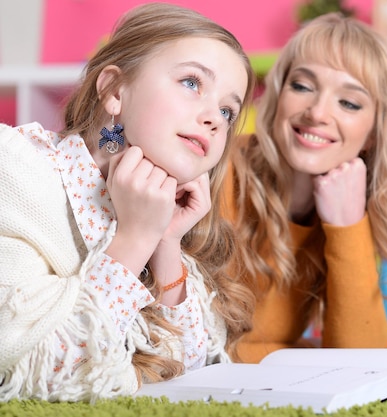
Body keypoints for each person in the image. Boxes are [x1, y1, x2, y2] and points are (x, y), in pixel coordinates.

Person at [0, 3, 255, 401]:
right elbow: (37, 373)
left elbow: (191, 371)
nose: (215, 118)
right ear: (114, 91)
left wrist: (165, 241)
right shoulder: (16, 169)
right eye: (191, 82)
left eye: (227, 110)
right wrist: (135, 239)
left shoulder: (155, 208)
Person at [223, 13, 387, 363]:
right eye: (302, 86)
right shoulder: (217, 170)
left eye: (348, 102)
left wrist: (346, 227)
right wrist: (288, 354)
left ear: (374, 132)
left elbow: (362, 360)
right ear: (278, 94)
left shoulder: (351, 207)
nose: (317, 113)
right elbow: (194, 346)